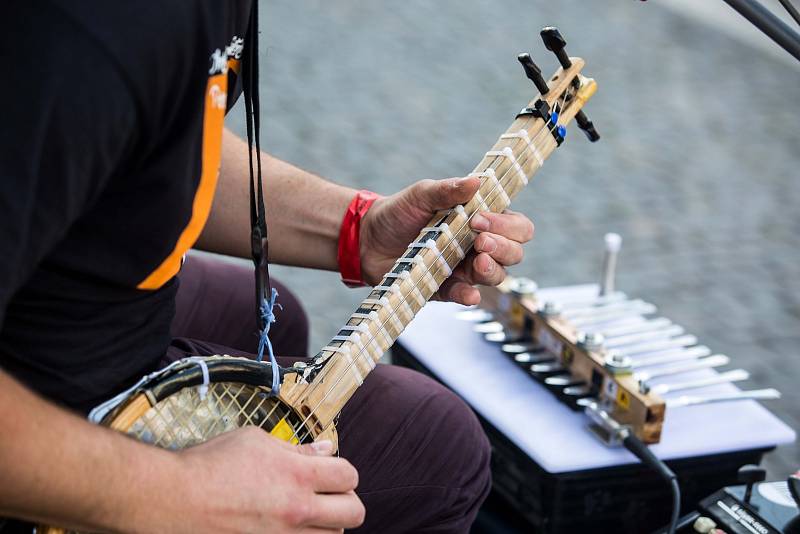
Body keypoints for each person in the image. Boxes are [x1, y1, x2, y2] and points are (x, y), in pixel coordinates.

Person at [0, 2, 534, 532]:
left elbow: (154, 130)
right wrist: (179, 493)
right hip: (39, 406)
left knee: (269, 311)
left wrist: (358, 232)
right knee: (436, 443)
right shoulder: (95, 29)